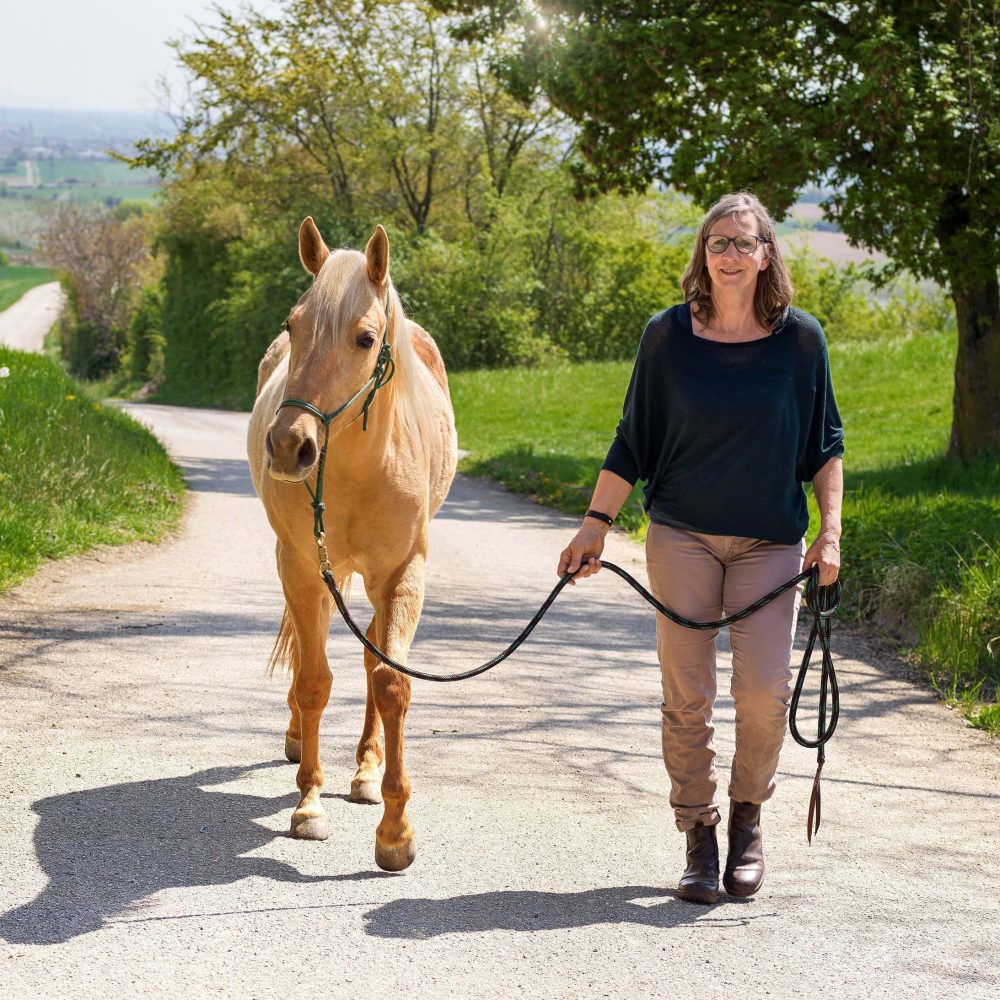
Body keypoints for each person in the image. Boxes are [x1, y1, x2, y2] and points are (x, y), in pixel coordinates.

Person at [558, 191, 844, 904]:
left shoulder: (801, 341)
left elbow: (825, 447)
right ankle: (698, 833)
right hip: (681, 532)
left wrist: (830, 532)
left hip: (771, 542)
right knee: (688, 697)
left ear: (768, 253)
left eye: (744, 243)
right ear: (702, 254)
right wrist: (595, 522)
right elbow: (634, 439)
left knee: (764, 693)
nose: (731, 254)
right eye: (718, 242)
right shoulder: (667, 337)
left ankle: (748, 821)